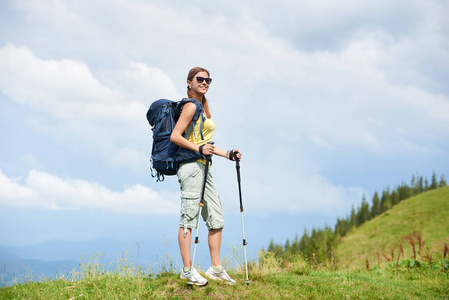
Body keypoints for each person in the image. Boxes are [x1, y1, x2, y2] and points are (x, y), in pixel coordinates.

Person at [170, 67, 242, 286]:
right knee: (189, 219)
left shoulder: (202, 107)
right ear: (189, 82)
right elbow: (175, 136)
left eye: (207, 80)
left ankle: (216, 269)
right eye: (200, 79)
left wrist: (228, 154)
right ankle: (187, 270)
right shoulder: (191, 106)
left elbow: (206, 145)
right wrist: (199, 150)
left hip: (203, 167)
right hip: (191, 167)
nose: (204, 82)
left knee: (216, 218)